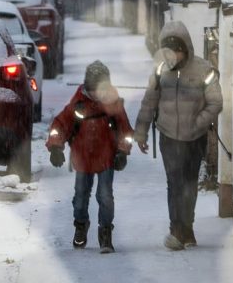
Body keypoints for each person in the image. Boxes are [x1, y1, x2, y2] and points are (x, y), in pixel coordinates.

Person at [134, 21, 223, 250]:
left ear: (186, 47)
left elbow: (215, 102)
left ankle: (187, 227)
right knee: (174, 183)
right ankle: (177, 230)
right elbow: (148, 102)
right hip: (168, 136)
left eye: (178, 50)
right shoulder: (160, 70)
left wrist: (198, 122)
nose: (174, 55)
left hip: (195, 138)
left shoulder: (204, 70)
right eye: (169, 50)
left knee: (189, 184)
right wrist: (141, 132)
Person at [46, 60, 133, 253]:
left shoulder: (113, 104)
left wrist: (122, 151)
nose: (96, 95)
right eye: (93, 90)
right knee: (80, 198)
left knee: (105, 196)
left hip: (106, 158)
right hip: (82, 158)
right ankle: (80, 226)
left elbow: (125, 130)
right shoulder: (78, 103)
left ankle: (105, 232)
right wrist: (55, 148)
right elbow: (60, 125)